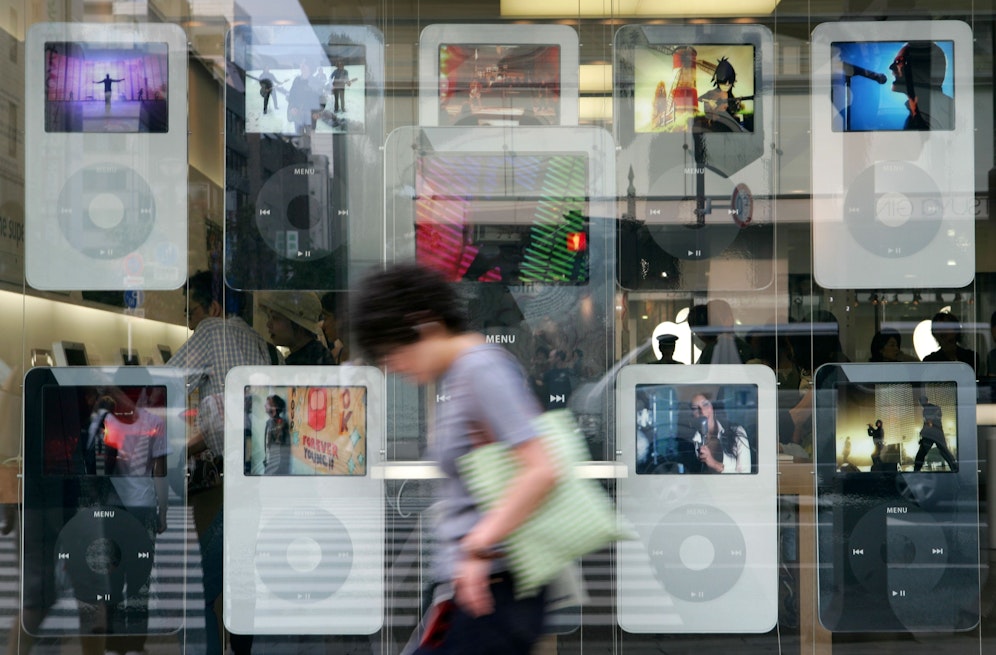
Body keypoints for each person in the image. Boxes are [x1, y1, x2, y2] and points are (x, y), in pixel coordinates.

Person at [353, 262, 557, 654]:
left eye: (394, 352)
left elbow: (541, 469)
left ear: (423, 325)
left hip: (494, 587)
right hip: (475, 585)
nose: (394, 366)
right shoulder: (464, 372)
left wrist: (478, 547)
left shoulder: (482, 368)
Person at [169, 271, 276, 655]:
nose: (192, 322)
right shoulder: (255, 339)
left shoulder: (213, 331)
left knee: (193, 592)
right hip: (263, 475)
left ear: (213, 307)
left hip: (244, 483)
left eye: (193, 311)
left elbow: (166, 381)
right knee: (240, 587)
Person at [889, 41, 953, 130]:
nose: (891, 67)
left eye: (899, 61)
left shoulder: (948, 112)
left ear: (920, 69)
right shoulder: (918, 112)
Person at [258, 291, 335, 365]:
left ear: (298, 325)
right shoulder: (317, 355)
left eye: (275, 318)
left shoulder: (307, 363)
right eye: (269, 317)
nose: (268, 324)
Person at [690, 392, 751, 473]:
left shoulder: (736, 432)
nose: (702, 411)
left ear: (713, 407)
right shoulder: (691, 442)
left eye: (705, 404)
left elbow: (746, 477)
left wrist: (714, 464)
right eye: (695, 408)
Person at [913, 397, 957, 472]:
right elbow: (930, 421)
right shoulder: (933, 408)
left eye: (921, 402)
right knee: (945, 452)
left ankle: (916, 470)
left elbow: (929, 422)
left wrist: (923, 432)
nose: (921, 404)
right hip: (936, 433)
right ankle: (954, 468)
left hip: (931, 434)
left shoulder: (928, 410)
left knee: (921, 453)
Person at [286, 60, 321, 132]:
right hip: (298, 115)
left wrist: (317, 112)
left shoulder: (315, 81)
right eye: (301, 63)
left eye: (305, 64)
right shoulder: (297, 80)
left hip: (310, 116)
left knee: (310, 138)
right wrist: (292, 107)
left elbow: (321, 98)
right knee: (299, 139)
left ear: (310, 67)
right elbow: (292, 96)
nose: (302, 65)